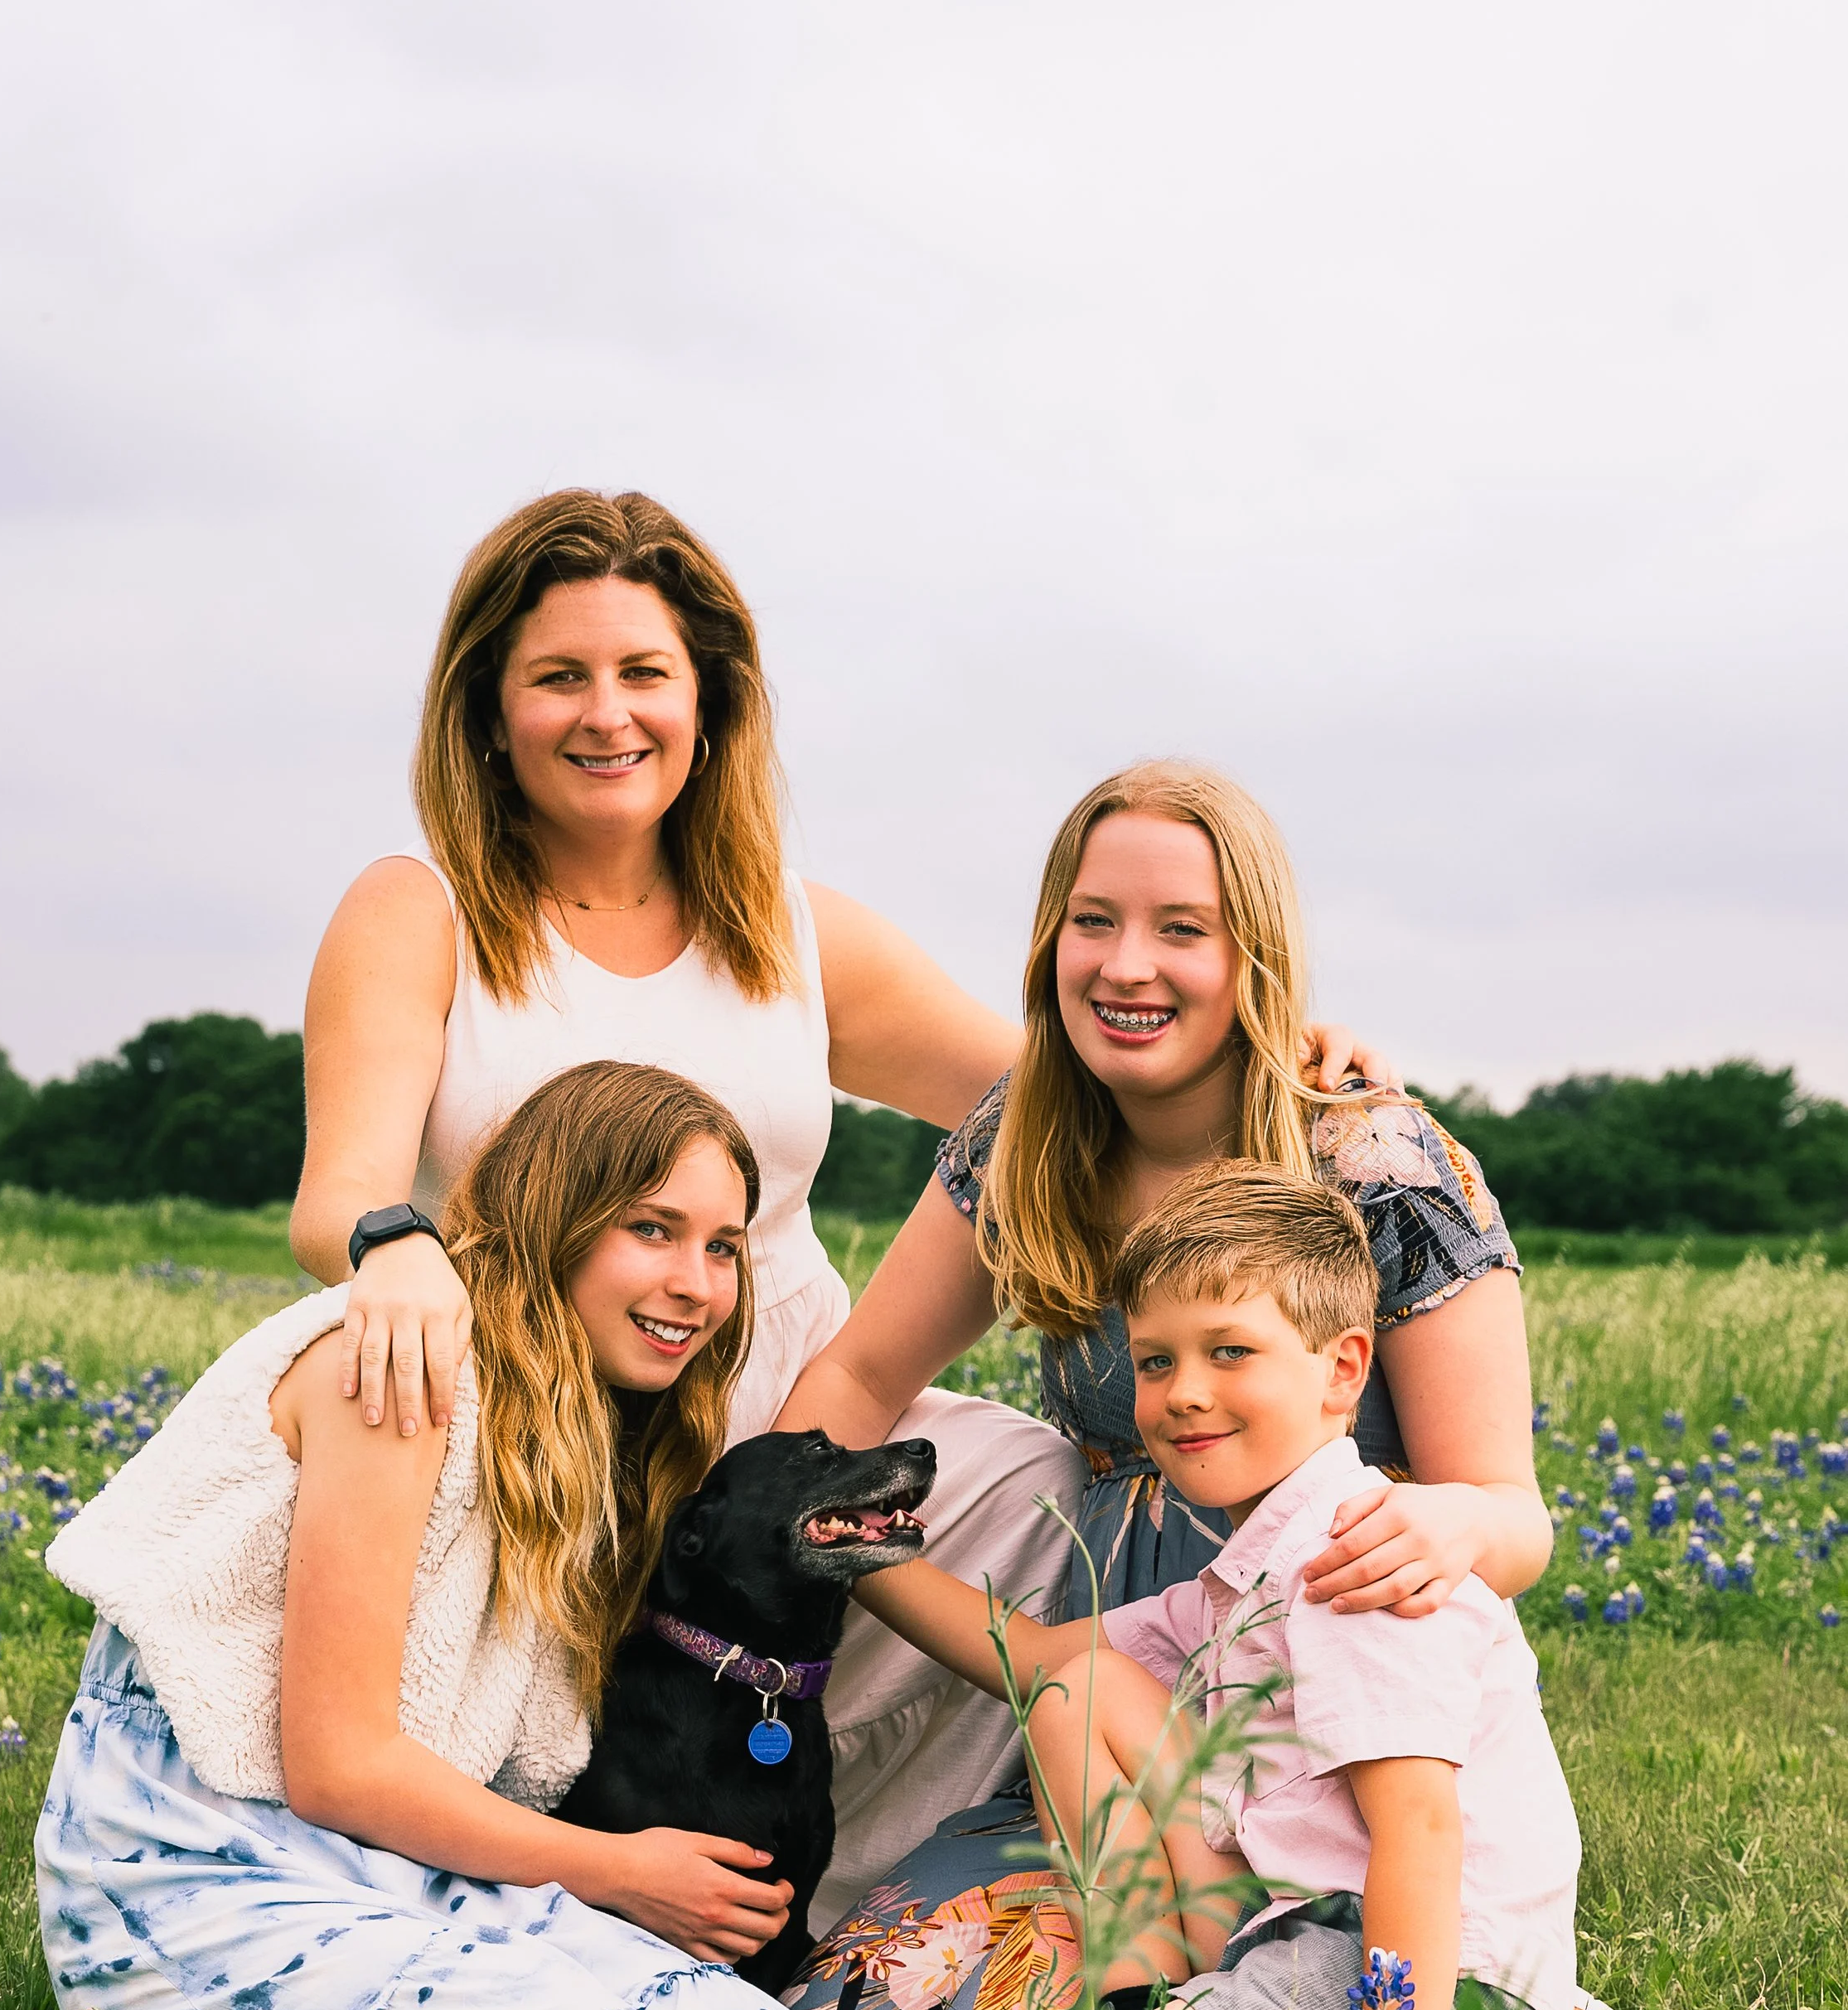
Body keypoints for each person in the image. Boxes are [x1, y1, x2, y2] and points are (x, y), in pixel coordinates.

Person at [293, 499, 1391, 1893]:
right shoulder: (423, 908)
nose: (606, 714)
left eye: (645, 674)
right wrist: (394, 1250)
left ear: (708, 701)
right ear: (488, 707)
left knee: (1046, 1494)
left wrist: (1277, 1037)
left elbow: (1085, 1080)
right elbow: (343, 1193)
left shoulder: (794, 930)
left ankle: (894, 1875)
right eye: (558, 675)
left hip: (787, 1418)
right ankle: (544, 1868)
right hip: (551, 1437)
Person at [777, 754, 1549, 2003]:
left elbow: (1514, 1513)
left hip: (1337, 1714)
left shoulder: (1373, 1155)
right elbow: (863, 1372)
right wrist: (758, 1516)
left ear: (1254, 953)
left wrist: (1452, 1518)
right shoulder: (1025, 1135)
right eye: (1094, 921)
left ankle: (1487, 1981)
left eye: (1182, 929)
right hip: (1119, 1712)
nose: (1126, 964)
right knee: (880, 1991)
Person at [36, 1064, 818, 2010]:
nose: (696, 1281)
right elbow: (337, 1761)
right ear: (559, 1216)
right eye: (652, 1227)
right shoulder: (404, 1368)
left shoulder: (583, 1437)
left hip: (376, 1872)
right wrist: (620, 1871)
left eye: (723, 1245)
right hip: (193, 1870)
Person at [830, 1162, 1578, 2010]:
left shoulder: (1352, 1562)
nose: (1185, 1394)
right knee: (1077, 1683)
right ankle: (1155, 2009)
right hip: (1294, 1932)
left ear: (1343, 1370)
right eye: (1153, 1362)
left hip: (1416, 1980)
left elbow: (1421, 1834)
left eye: (1230, 1352)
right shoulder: (1252, 1570)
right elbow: (1041, 1655)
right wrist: (852, 1547)